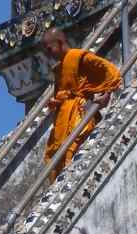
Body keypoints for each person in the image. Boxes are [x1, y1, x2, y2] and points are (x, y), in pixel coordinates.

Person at [42, 28, 121, 181]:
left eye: (49, 48)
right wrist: (55, 101)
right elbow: (62, 92)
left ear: (59, 42)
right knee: (55, 156)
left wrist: (107, 93)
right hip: (63, 120)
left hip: (78, 114)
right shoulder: (59, 68)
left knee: (72, 149)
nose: (48, 53)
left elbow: (107, 69)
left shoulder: (77, 57)